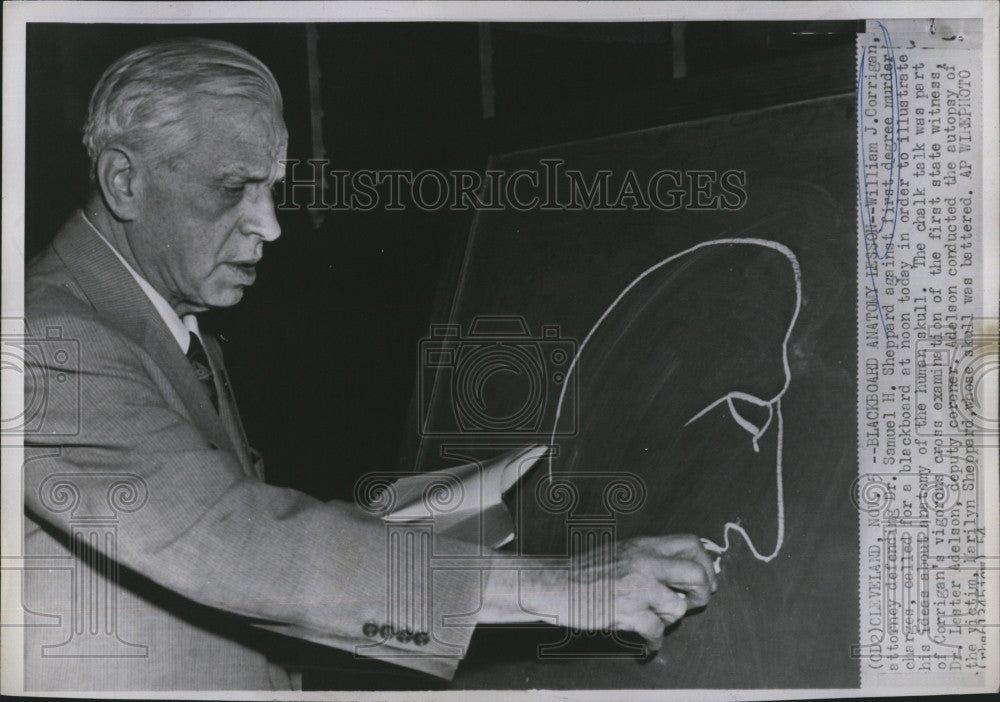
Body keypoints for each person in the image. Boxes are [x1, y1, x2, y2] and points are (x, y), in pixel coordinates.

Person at [21, 37, 717, 691]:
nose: (270, 225)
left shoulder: (164, 318)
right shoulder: (47, 339)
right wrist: (559, 585)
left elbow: (236, 521)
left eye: (271, 188)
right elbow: (237, 543)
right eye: (233, 189)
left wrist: (417, 518)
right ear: (124, 181)